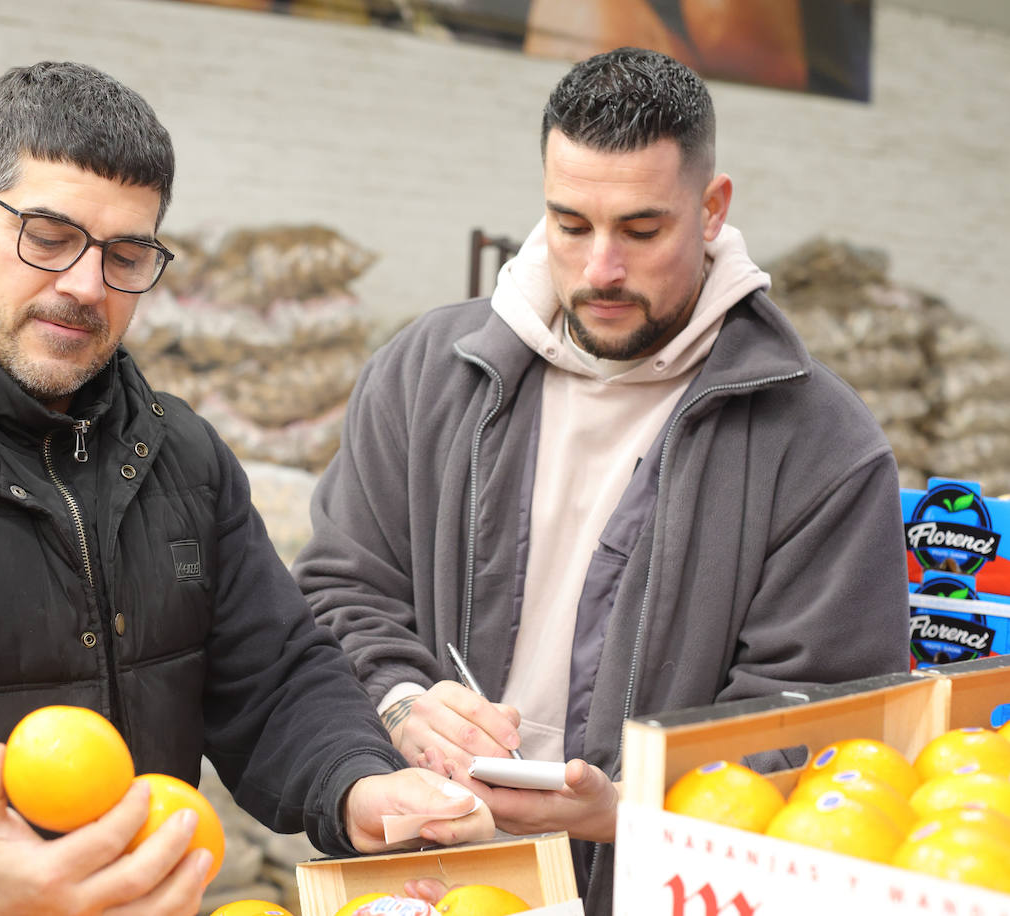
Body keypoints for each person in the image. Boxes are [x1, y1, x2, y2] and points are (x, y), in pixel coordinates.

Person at [0, 61, 493, 916]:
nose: (85, 285)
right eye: (47, 235)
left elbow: (275, 678)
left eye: (126, 254)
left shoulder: (179, 454)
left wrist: (356, 784)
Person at [293, 46, 909, 913]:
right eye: (570, 225)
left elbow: (824, 721)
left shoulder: (821, 448)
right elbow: (339, 587)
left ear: (712, 210)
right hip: (429, 880)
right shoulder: (427, 372)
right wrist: (401, 703)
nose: (600, 270)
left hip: (655, 891)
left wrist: (624, 812)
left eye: (642, 230)